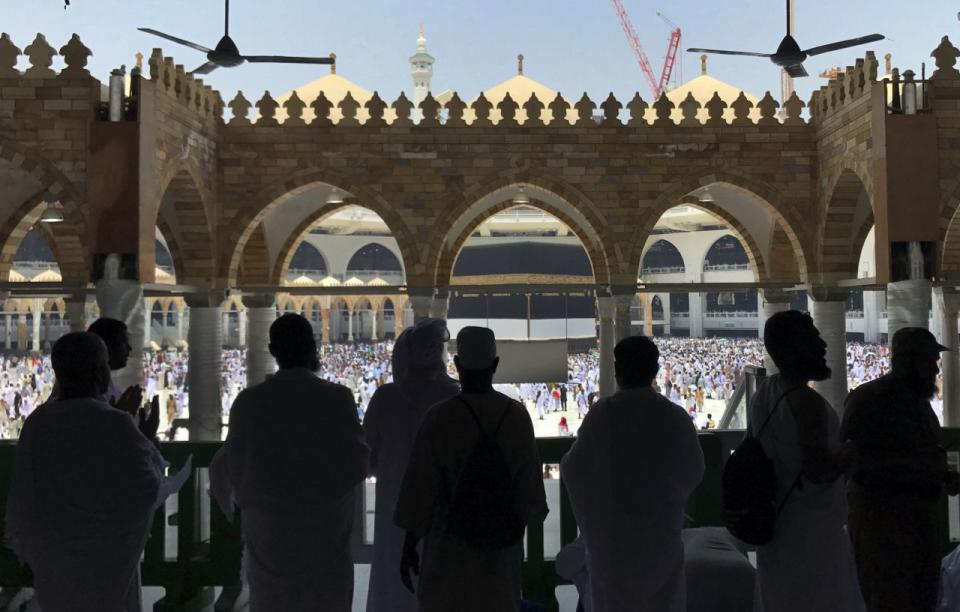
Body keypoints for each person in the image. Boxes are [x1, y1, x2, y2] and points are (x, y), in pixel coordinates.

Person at [217, 314, 369, 612]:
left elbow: (233, 468)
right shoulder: (337, 398)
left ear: (273, 351)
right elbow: (357, 464)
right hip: (324, 540)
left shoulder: (249, 402)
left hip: (270, 539)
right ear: (313, 348)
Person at [5, 332, 166, 612]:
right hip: (107, 560)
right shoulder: (115, 423)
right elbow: (148, 488)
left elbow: (23, 496)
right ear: (98, 372)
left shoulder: (38, 424)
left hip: (53, 557)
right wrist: (146, 437)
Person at [394, 326, 548, 612]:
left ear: (457, 366)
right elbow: (531, 499)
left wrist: (409, 546)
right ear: (495, 365)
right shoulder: (516, 416)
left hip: (448, 551)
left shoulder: (440, 417)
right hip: (500, 556)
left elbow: (419, 491)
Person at [561, 335, 704, 612]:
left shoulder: (603, 414)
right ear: (655, 370)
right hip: (659, 537)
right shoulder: (674, 415)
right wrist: (667, 497)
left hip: (614, 543)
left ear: (618, 371)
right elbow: (693, 470)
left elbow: (573, 469)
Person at [749, 311, 863, 612]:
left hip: (778, 528)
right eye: (813, 338)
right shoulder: (806, 402)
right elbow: (818, 470)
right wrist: (851, 451)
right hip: (811, 537)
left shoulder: (765, 392)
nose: (823, 345)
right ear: (793, 348)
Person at [842, 327, 959, 612]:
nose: (935, 369)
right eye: (929, 361)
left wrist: (940, 476)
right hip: (885, 522)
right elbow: (855, 460)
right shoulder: (870, 400)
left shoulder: (919, 404)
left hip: (919, 517)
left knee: (922, 597)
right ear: (908, 361)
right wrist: (918, 473)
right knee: (889, 597)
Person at [363, 319, 460, 612]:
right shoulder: (455, 397)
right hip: (444, 507)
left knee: (394, 578)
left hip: (395, 507)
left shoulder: (386, 398)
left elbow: (366, 459)